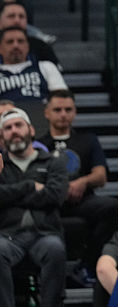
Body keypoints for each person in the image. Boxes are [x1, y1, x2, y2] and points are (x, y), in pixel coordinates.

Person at [39, 89, 118, 276]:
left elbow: (101, 176)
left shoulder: (88, 140)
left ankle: (88, 264)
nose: (63, 114)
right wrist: (59, 188)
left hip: (83, 201)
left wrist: (83, 181)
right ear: (47, 113)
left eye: (68, 109)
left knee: (114, 207)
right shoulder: (39, 144)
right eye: (57, 110)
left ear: (75, 112)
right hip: (50, 203)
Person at [0, 108, 68, 307]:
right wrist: (29, 187)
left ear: (30, 129)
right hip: (7, 235)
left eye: (18, 125)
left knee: (55, 249)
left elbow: (55, 197)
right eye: (8, 128)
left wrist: (11, 195)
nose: (14, 130)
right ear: (2, 137)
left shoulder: (54, 162)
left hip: (45, 234)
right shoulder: (1, 166)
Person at [0, 26, 68, 130]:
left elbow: (63, 100)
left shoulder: (45, 66)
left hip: (43, 123)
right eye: (10, 42)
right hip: (6, 125)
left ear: (27, 46)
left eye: (20, 41)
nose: (16, 45)